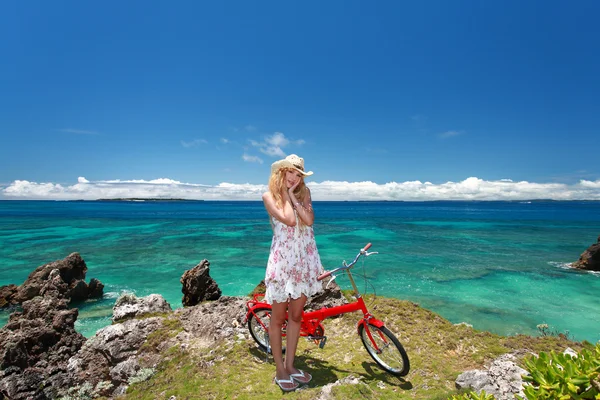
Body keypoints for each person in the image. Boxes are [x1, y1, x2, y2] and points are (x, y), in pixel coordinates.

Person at [262, 154, 324, 392]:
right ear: (281, 173)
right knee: (277, 319)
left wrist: (294, 196)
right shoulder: (269, 197)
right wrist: (286, 195)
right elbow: (289, 220)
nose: (294, 178)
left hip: (304, 261)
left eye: (298, 175)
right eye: (290, 173)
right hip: (283, 264)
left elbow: (308, 220)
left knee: (296, 316)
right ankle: (280, 370)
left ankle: (290, 365)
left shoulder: (305, 194)